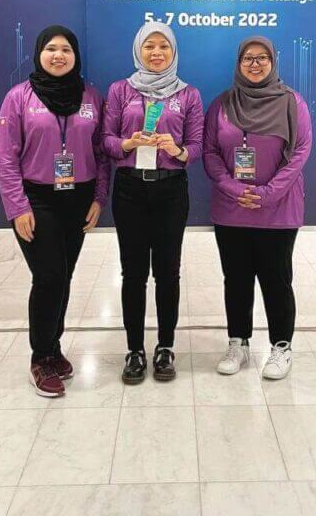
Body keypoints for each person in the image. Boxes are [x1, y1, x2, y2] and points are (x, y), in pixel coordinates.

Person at [0, 25, 109, 398]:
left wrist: (98, 198)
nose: (58, 55)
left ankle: (54, 347)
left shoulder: (90, 96)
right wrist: (17, 207)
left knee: (65, 275)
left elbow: (102, 152)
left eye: (66, 50)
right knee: (49, 276)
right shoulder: (18, 98)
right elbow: (6, 158)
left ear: (75, 56)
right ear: (39, 54)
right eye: (51, 49)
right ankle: (40, 357)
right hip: (37, 199)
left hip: (78, 198)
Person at [202, 36, 312, 380]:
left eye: (262, 58)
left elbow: (300, 153)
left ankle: (281, 346)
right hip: (231, 209)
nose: (255, 64)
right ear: (238, 63)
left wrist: (267, 193)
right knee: (235, 279)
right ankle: (239, 342)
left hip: (278, 210)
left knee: (276, 280)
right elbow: (209, 153)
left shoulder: (292, 102)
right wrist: (235, 189)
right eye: (248, 58)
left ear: (272, 62)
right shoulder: (221, 104)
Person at [102, 22, 203, 384]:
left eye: (164, 46)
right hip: (130, 189)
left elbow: (197, 145)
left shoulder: (189, 94)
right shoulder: (120, 91)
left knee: (167, 272)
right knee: (133, 273)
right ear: (138, 50)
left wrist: (176, 150)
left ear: (173, 52)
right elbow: (107, 142)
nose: (156, 53)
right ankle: (134, 350)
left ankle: (165, 347)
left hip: (170, 190)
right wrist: (129, 144)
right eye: (149, 46)